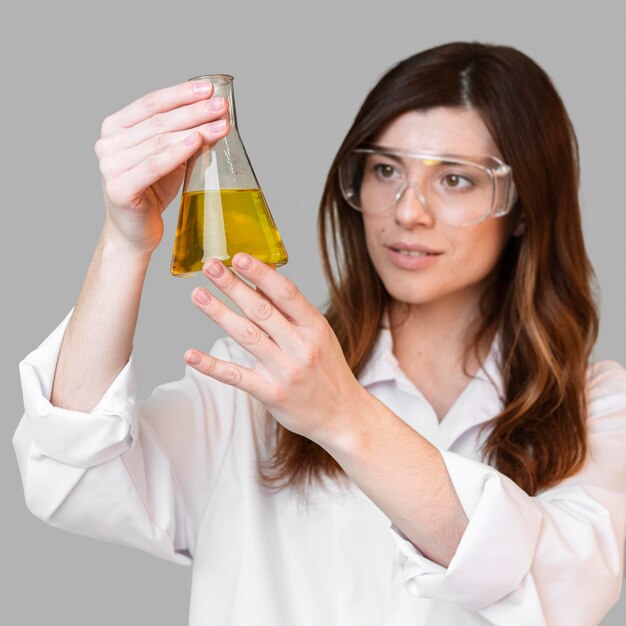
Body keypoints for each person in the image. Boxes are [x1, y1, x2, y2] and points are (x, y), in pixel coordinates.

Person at [12, 41, 626, 626]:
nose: (408, 210)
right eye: (386, 169)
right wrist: (125, 242)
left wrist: (341, 414)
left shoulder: (595, 409)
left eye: (455, 179)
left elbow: (560, 592)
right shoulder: (254, 387)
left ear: (524, 205)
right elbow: (69, 472)